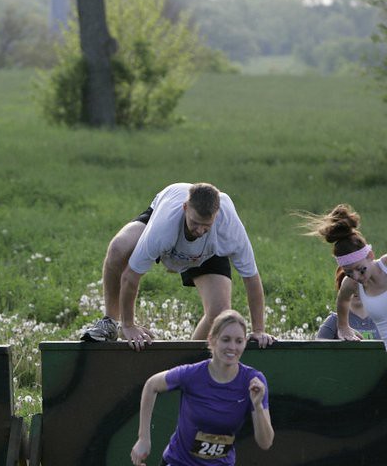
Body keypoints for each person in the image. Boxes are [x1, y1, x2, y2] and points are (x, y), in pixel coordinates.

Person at [82, 182, 274, 350]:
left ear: (216, 215)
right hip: (169, 231)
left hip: (207, 252)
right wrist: (128, 325)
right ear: (185, 208)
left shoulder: (229, 228)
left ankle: (189, 363)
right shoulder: (163, 226)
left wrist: (259, 330)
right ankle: (110, 323)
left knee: (219, 312)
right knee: (118, 248)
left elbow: (251, 278)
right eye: (195, 223)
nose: (199, 230)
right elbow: (130, 275)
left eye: (206, 225)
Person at [130, 310, 274, 466]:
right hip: (179, 462)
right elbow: (152, 385)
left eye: (239, 341)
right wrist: (143, 438)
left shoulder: (253, 381)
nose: (232, 347)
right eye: (226, 340)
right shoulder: (192, 374)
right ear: (212, 340)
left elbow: (266, 443)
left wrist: (258, 406)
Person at [303, 204, 387, 347]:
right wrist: (343, 327)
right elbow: (342, 301)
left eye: (361, 270)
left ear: (370, 255)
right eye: (349, 273)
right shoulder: (350, 283)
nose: (357, 277)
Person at [316, 268, 381, 340]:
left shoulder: (382, 318)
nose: (356, 290)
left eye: (361, 285)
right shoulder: (334, 320)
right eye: (350, 287)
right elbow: (317, 346)